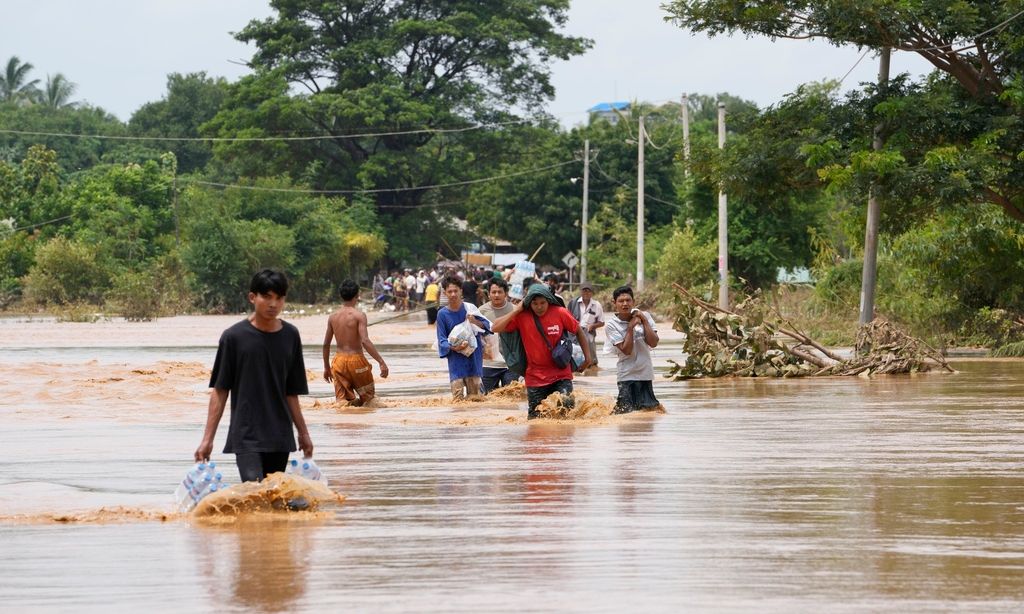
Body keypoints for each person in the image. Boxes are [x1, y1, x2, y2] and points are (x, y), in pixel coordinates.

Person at [193, 269, 313, 482]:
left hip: (279, 435)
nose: (273, 304)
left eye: (279, 298)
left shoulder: (290, 336)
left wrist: (303, 433)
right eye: (266, 297)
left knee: (273, 496)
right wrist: (207, 440)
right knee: (253, 489)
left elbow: (291, 393)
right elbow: (220, 391)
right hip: (246, 433)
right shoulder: (234, 337)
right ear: (252, 297)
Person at [491, 283, 593, 418]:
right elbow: (495, 328)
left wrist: (588, 358)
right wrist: (517, 310)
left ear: (549, 301)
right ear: (529, 304)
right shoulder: (522, 316)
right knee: (536, 420)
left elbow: (578, 330)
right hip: (535, 378)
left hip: (561, 374)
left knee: (566, 408)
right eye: (534, 304)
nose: (539, 307)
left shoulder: (560, 312)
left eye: (542, 303)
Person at [322, 279, 389, 406]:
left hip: (339, 362)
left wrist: (326, 367)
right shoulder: (359, 316)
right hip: (357, 361)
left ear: (341, 296)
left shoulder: (333, 317)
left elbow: (326, 344)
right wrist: (381, 362)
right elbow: (365, 341)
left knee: (342, 403)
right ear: (357, 295)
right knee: (369, 401)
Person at [604, 286, 661, 414]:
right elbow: (627, 350)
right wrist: (630, 328)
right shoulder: (612, 325)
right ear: (614, 303)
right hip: (627, 376)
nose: (625, 304)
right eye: (621, 301)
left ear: (633, 302)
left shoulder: (645, 316)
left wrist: (644, 321)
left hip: (646, 374)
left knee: (648, 413)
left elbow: (654, 342)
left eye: (628, 300)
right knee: (625, 413)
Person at [436, 276, 491, 400]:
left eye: (456, 291)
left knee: (476, 398)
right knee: (458, 399)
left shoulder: (470, 308)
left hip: (474, 359)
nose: (453, 294)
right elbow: (441, 339)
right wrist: (454, 347)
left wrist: (475, 321)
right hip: (456, 361)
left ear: (461, 291)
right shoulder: (442, 314)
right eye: (449, 291)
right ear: (445, 293)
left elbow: (488, 327)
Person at [478, 278, 519, 393]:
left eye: (500, 292)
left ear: (506, 293)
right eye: (493, 292)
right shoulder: (481, 312)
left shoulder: (515, 311)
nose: (496, 295)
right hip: (488, 364)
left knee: (511, 400)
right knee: (486, 401)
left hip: (511, 365)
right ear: (488, 294)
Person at [569, 282, 605, 371]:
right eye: (584, 291)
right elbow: (567, 317)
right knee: (574, 352)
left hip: (589, 332)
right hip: (574, 332)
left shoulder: (597, 305)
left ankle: (592, 366)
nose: (586, 293)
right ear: (581, 292)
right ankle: (575, 367)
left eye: (588, 291)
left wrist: (592, 326)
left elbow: (602, 322)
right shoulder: (573, 303)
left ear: (592, 293)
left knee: (591, 353)